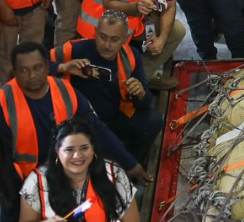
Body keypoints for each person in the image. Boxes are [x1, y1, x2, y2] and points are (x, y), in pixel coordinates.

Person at [0, 42, 146, 181]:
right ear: (15, 72)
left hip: (64, 174)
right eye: (23, 70)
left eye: (37, 67)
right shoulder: (4, 101)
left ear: (47, 66)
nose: (32, 76)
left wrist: (129, 163)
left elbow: (97, 129)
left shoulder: (65, 90)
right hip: (24, 181)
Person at [51, 11, 160, 165]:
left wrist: (141, 93)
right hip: (77, 123)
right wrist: (63, 67)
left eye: (114, 39)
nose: (107, 45)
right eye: (102, 37)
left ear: (124, 39)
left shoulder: (130, 57)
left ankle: (129, 169)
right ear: (95, 32)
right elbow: (37, 67)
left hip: (113, 120)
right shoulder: (74, 50)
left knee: (153, 121)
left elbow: (145, 104)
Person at [19, 117, 138, 222]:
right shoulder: (37, 181)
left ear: (93, 149)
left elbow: (131, 221)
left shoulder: (114, 173)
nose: (77, 156)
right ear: (57, 152)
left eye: (84, 148)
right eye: (69, 150)